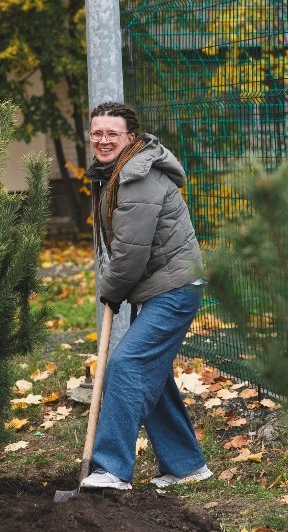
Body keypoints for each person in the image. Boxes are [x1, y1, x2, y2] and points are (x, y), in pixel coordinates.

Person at [80, 101, 212, 491]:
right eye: (97, 133)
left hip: (174, 289)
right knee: (153, 375)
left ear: (130, 138)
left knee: (126, 366)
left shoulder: (137, 178)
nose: (103, 140)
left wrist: (111, 291)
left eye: (112, 134)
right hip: (164, 287)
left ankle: (110, 469)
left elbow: (130, 253)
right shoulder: (118, 171)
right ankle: (187, 465)